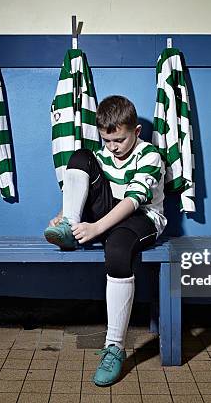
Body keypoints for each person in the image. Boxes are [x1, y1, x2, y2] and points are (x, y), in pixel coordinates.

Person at [44, 95, 167, 386]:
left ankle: (114, 348)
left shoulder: (150, 155)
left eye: (120, 140)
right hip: (109, 212)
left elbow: (132, 202)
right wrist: (63, 214)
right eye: (107, 140)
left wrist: (97, 228)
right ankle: (70, 226)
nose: (113, 147)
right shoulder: (102, 153)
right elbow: (86, 188)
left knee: (117, 250)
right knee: (80, 157)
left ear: (136, 132)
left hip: (141, 217)